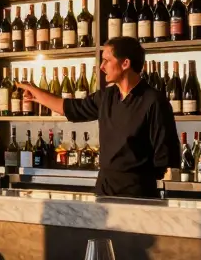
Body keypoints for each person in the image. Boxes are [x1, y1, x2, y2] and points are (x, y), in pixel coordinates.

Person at [18, 36, 179, 198]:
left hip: (138, 192)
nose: (102, 67)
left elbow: (164, 158)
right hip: (104, 188)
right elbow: (70, 108)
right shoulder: (106, 96)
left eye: (107, 60)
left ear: (125, 64)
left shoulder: (154, 101)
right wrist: (35, 92)